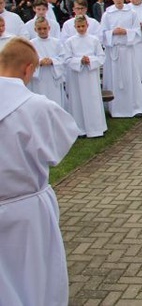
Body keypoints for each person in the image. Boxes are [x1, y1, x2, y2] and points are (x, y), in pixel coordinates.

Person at [0, 37, 80, 306]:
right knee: (37, 278)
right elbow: (58, 148)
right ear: (28, 69)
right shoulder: (38, 107)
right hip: (27, 209)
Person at [100, 0, 142, 118]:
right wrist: (113, 33)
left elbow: (137, 32)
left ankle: (133, 107)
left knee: (130, 77)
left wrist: (126, 32)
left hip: (127, 50)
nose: (119, 0)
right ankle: (115, 108)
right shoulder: (107, 14)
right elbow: (102, 33)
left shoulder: (131, 12)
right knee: (114, 79)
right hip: (114, 51)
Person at [63, 15, 107, 138]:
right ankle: (80, 128)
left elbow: (101, 56)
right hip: (77, 76)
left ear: (87, 26)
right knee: (78, 101)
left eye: (83, 26)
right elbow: (67, 59)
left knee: (92, 99)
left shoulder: (94, 40)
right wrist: (79, 61)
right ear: (74, 27)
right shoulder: (70, 41)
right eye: (78, 26)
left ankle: (96, 128)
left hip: (91, 75)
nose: (81, 29)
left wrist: (90, 60)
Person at [29, 16, 67, 109]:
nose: (42, 31)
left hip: (53, 77)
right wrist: (40, 62)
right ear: (35, 29)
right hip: (39, 80)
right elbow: (28, 61)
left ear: (49, 28)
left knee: (55, 102)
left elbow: (63, 58)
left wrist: (52, 61)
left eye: (44, 28)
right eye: (39, 29)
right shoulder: (31, 44)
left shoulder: (57, 42)